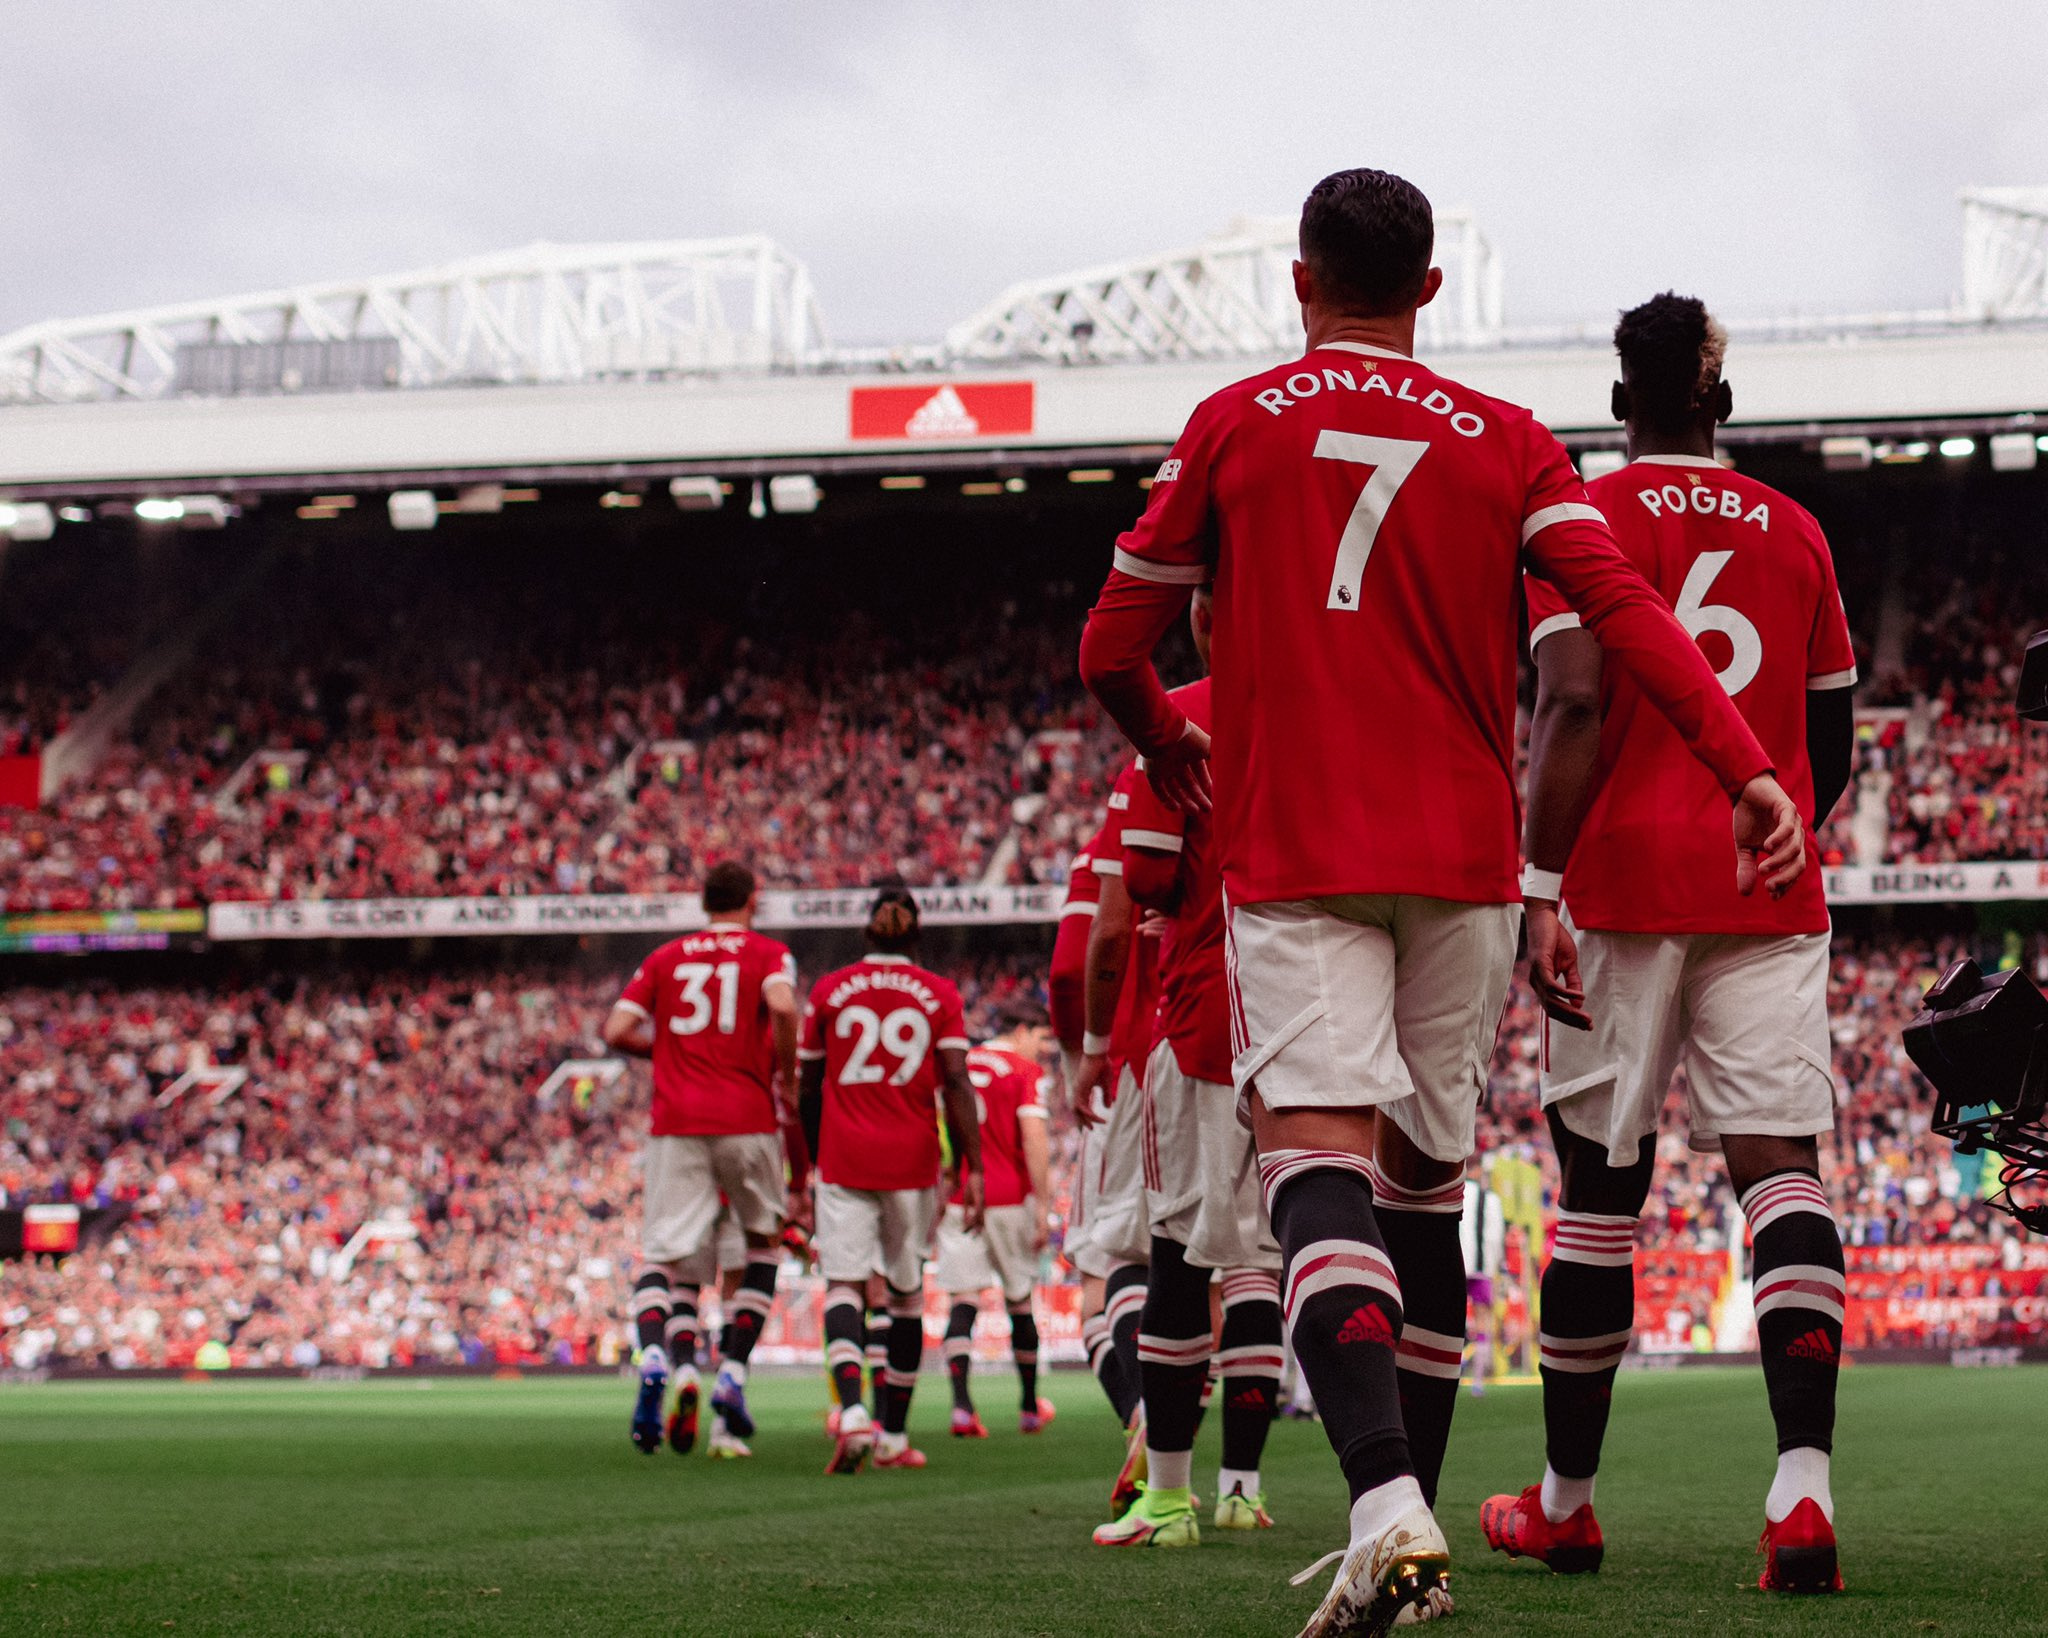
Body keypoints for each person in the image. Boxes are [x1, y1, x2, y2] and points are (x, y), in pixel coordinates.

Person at [1078, 166, 1806, 1636]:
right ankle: (1407, 1509)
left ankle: (1385, 1508)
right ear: (1430, 290)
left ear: (1299, 281)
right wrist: (1744, 764)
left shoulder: (1234, 421)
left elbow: (1111, 640)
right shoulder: (1516, 442)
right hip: (1467, 864)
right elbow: (1627, 619)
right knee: (1422, 1194)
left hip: (1297, 852)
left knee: (1313, 1171)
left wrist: (1170, 738)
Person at [1480, 292, 1858, 1595]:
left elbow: (1572, 697)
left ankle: (1566, 1504)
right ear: (1723, 401)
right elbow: (1836, 749)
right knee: (1781, 1170)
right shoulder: (1801, 531)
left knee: (1599, 1191)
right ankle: (1802, 1493)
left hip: (1617, 880)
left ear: (1618, 401)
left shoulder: (1577, 514)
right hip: (1766, 888)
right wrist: (1764, 828)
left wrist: (1539, 881)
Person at [1093, 585, 1286, 1549]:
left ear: (1205, 618)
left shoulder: (1186, 716)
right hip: (1315, 1019)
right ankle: (1251, 1487)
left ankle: (1169, 1499)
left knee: (1177, 1250)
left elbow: (1145, 880)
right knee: (1267, 1261)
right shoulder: (1329, 701)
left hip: (1209, 1010)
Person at [602, 861, 800, 1461]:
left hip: (678, 1124)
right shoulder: (768, 953)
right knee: (760, 1246)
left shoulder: (666, 957)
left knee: (665, 1255)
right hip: (746, 1117)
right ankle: (733, 1372)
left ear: (703, 901)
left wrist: (666, 1051)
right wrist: (783, 1074)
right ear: (752, 900)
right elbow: (785, 1008)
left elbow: (615, 1029)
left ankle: (658, 1356)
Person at [798, 886, 982, 1475]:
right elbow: (956, 1082)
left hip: (844, 1155)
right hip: (911, 1159)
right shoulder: (939, 994)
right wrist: (972, 1165)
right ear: (916, 933)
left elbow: (806, 1087)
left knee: (846, 1286)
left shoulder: (829, 989)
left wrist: (807, 1160)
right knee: (904, 1295)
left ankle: (852, 1413)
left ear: (867, 932)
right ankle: (895, 1438)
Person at [1067, 762, 1165, 1519]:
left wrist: (1090, 1046)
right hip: (1252, 1042)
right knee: (1244, 1268)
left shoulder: (1143, 783)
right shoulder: (1277, 747)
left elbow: (1082, 957)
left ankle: (1146, 1420)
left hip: (1144, 1045)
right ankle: (1242, 1486)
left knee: (1118, 1257)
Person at [938, 999, 1057, 1437]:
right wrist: (1043, 1204)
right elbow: (1034, 1136)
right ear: (1021, 1030)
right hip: (1008, 1196)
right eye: (1042, 1038)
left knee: (963, 1299)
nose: (1044, 1049)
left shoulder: (961, 1062)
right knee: (1020, 1299)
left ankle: (962, 1409)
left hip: (962, 1198)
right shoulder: (1025, 1074)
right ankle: (1028, 1407)